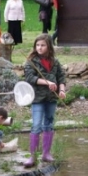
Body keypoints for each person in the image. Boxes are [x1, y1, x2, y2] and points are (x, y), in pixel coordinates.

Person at [24, 34, 66, 168]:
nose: (39, 48)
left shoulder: (55, 61)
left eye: (42, 45)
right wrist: (47, 82)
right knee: (36, 125)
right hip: (38, 98)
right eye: (37, 45)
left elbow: (61, 77)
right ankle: (32, 156)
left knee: (49, 123)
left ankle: (46, 154)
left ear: (48, 46)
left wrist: (62, 90)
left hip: (51, 98)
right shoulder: (31, 61)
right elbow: (30, 78)